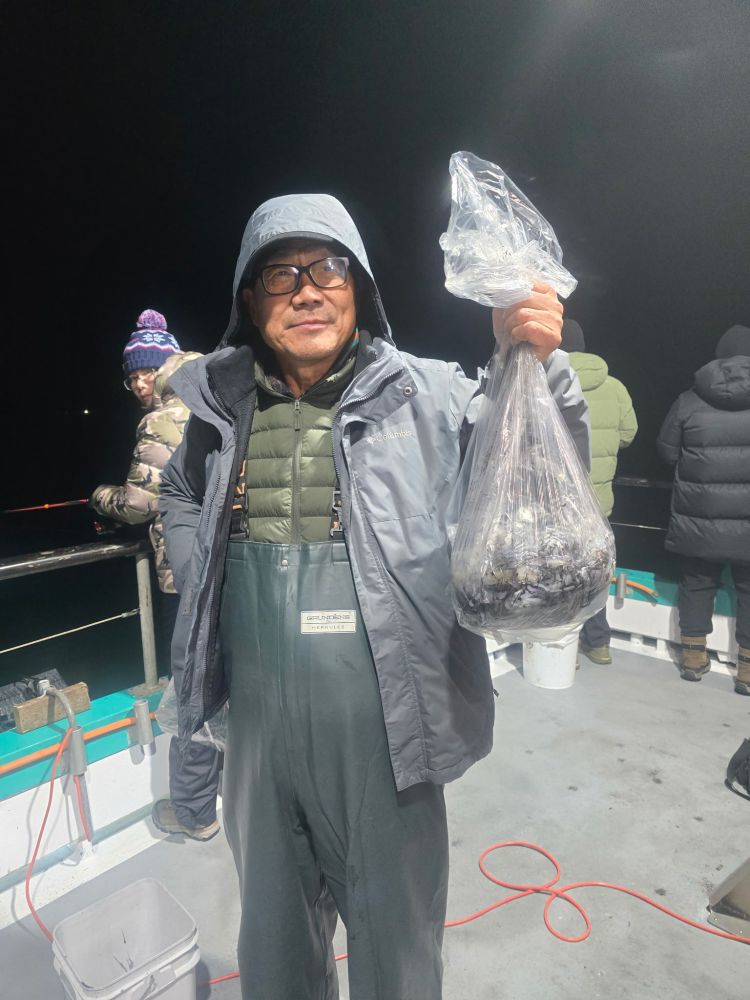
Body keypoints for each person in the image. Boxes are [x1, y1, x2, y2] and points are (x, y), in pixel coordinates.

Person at [159, 194, 589, 1000]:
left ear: (358, 287)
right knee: (274, 949)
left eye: (328, 268)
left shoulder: (430, 394)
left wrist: (536, 365)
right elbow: (180, 493)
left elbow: (533, 472)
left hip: (389, 729)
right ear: (250, 300)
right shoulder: (220, 409)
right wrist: (196, 566)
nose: (307, 291)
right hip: (255, 734)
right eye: (281, 275)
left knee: (398, 951)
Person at [91, 308, 222, 840]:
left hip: (185, 577)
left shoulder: (163, 418)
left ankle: (194, 813)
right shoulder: (218, 397)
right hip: (239, 566)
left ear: (162, 367)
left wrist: (99, 497)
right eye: (131, 378)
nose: (138, 385)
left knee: (192, 691)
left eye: (143, 373)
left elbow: (138, 504)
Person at [657, 324, 750, 693]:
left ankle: (693, 659)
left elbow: (666, 451)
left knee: (696, 583)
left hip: (699, 513)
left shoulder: (689, 400)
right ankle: (747, 671)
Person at [560, 319, 638, 664]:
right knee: (595, 571)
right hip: (599, 501)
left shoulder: (547, 381)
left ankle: (561, 648)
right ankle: (598, 642)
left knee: (557, 573)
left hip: (558, 502)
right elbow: (628, 434)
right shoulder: (615, 387)